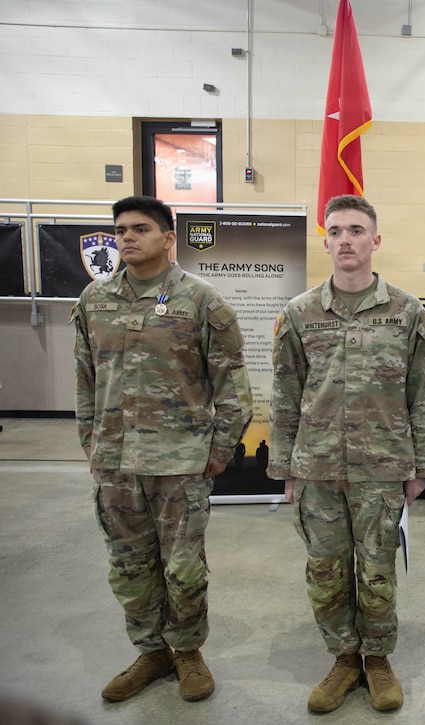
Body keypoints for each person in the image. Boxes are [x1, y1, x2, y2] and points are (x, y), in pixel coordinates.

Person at [71, 195, 253, 703]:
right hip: (114, 463)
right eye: (121, 230)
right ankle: (151, 651)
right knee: (128, 564)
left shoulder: (201, 302)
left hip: (179, 463)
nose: (127, 237)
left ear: (168, 238)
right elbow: (86, 380)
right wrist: (91, 442)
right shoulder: (95, 300)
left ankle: (188, 652)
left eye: (140, 229)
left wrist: (218, 450)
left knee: (183, 567)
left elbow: (233, 387)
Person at [268, 194, 425, 714]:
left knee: (377, 570)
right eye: (337, 230)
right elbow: (284, 393)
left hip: (383, 469)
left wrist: (422, 467)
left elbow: (422, 393)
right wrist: (284, 468)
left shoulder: (408, 313)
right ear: (325, 241)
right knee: (326, 570)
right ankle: (344, 658)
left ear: (375, 240)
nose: (346, 240)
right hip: (316, 467)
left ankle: (378, 659)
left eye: (357, 230)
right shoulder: (299, 314)